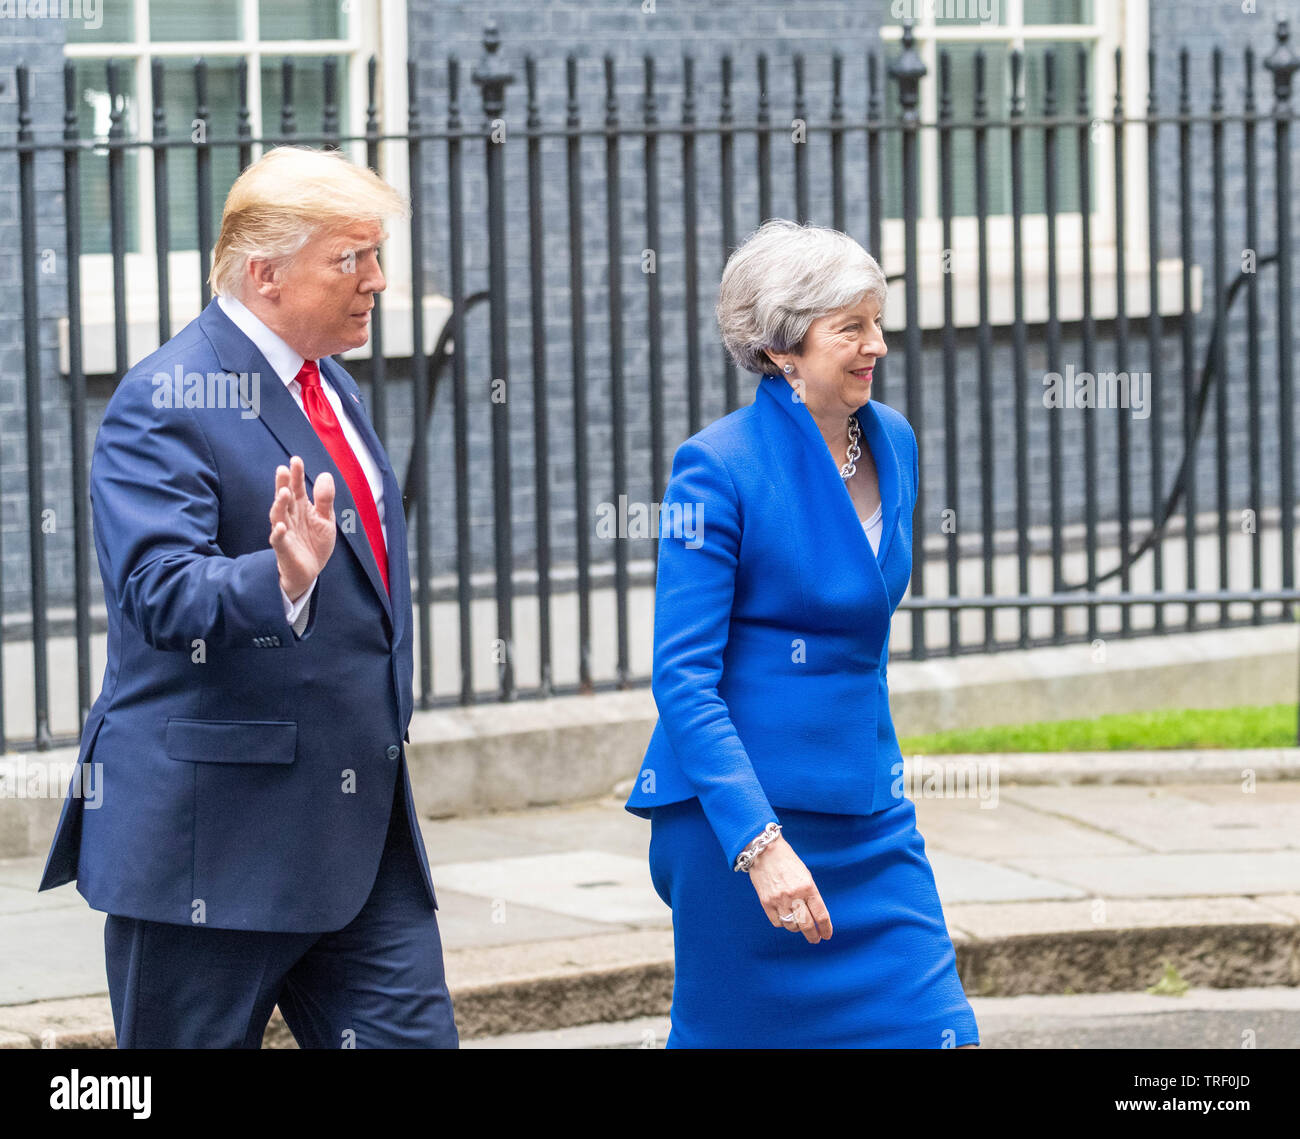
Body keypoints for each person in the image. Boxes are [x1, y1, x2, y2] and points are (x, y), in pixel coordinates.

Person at [38, 146, 457, 1049]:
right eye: (351, 258)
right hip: (215, 843)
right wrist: (283, 577)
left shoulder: (329, 384)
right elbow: (157, 593)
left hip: (360, 835)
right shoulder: (165, 396)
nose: (377, 280)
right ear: (265, 273)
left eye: (377, 256)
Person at [626, 218, 979, 1049]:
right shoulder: (712, 467)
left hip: (867, 810)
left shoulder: (891, 440)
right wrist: (759, 844)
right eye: (850, 327)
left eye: (878, 321)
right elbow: (682, 677)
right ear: (784, 347)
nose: (877, 345)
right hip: (741, 821)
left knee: (935, 1029)